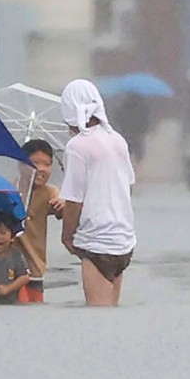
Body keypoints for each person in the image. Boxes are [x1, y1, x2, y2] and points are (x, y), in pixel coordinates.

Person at [58, 79, 136, 307]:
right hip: (124, 241)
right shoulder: (118, 140)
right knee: (112, 315)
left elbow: (74, 201)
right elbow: (128, 186)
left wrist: (66, 236)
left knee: (98, 318)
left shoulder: (77, 147)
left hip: (96, 243)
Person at [16, 139, 65, 303]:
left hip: (36, 267)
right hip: (11, 269)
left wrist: (64, 204)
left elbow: (63, 211)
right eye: (35, 163)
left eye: (47, 164)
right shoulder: (9, 190)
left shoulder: (50, 192)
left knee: (35, 308)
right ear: (21, 164)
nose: (42, 169)